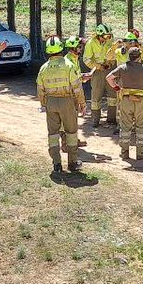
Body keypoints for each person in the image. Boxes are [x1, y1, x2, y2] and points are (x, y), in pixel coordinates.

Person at [37, 36, 85, 173]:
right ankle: (72, 163)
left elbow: (40, 89)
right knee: (71, 132)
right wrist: (82, 103)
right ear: (61, 49)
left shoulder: (43, 68)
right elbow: (77, 87)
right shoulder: (68, 65)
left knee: (52, 134)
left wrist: (44, 104)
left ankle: (56, 164)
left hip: (51, 102)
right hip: (67, 101)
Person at [106, 46, 143, 160]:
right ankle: (141, 153)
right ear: (139, 57)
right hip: (141, 100)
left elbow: (109, 77)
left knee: (125, 126)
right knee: (141, 127)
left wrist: (116, 88)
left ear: (129, 57)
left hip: (126, 100)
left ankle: (124, 152)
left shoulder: (122, 67)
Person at [84, 24, 117, 128]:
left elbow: (114, 54)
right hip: (97, 72)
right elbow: (87, 59)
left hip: (110, 70)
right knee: (96, 96)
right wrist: (98, 66)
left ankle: (111, 119)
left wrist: (110, 63)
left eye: (109, 36)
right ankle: (95, 120)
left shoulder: (110, 41)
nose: (108, 38)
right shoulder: (91, 43)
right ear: (99, 35)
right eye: (106, 36)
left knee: (113, 95)